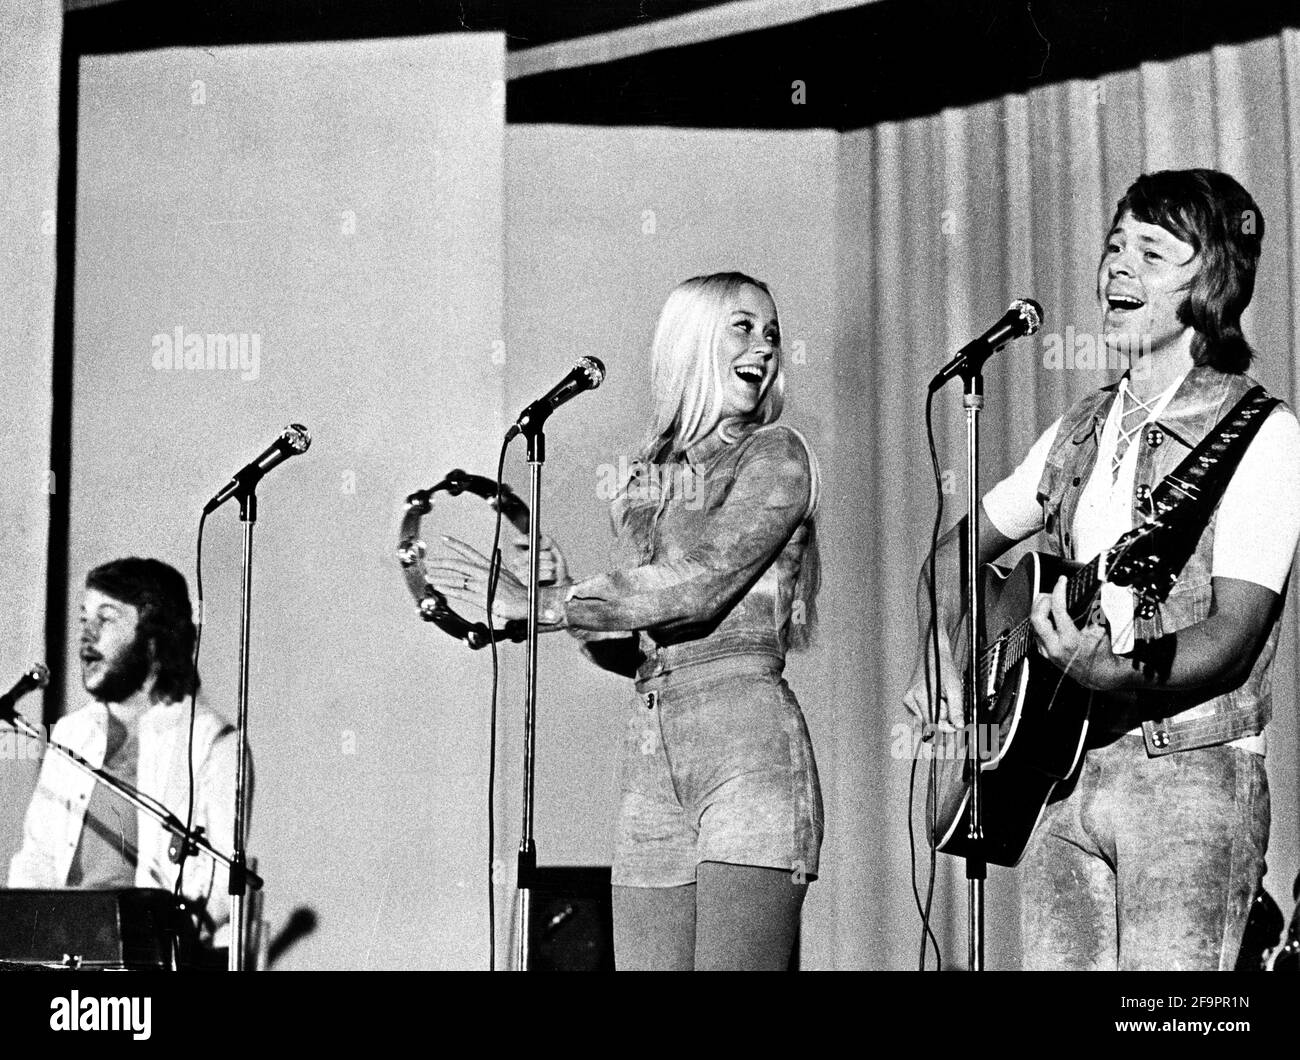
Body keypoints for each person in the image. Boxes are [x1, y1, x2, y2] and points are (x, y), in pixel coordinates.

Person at [904, 168, 1300, 970]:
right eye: (1115, 247)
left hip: (1190, 777)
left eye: (1151, 252)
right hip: (1065, 774)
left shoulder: (1261, 432)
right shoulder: (1078, 428)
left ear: (1211, 280)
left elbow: (1233, 631)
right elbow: (951, 556)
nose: (1117, 268)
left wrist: (1113, 670)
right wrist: (943, 661)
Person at [432, 272, 823, 970]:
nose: (763, 344)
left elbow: (701, 586)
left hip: (748, 752)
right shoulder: (645, 485)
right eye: (743, 325)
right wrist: (558, 592)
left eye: (770, 331)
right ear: (691, 340)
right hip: (652, 757)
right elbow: (635, 642)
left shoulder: (777, 455)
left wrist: (550, 606)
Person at [8, 557, 248, 954]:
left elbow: (224, 883)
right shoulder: (70, 734)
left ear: (153, 638)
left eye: (107, 619)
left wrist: (156, 941)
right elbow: (37, 859)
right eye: (84, 619)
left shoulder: (214, 744)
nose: (87, 636)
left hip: (154, 959)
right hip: (64, 956)